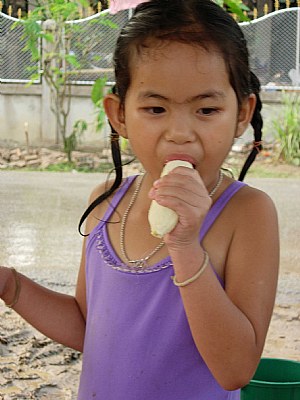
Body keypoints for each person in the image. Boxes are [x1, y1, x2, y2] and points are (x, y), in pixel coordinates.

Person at [0, 0, 279, 399]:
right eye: (155, 108)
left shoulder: (247, 214)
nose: (180, 132)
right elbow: (87, 326)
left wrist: (184, 245)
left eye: (206, 109)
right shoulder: (107, 202)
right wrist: (12, 286)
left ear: (241, 114)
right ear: (119, 115)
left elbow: (235, 369)